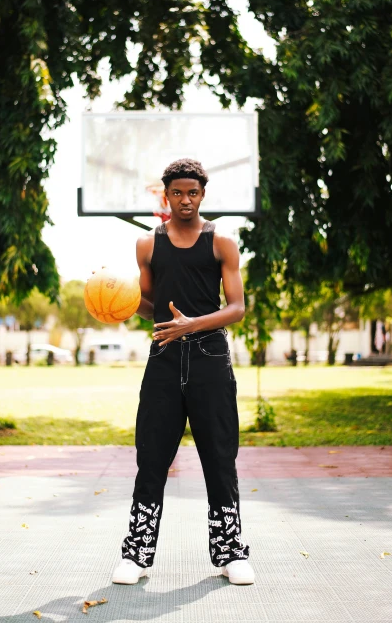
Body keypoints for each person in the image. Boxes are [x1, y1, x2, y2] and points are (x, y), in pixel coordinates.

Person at [112, 158, 254, 586]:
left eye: (193, 192)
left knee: (219, 458)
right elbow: (151, 305)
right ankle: (136, 556)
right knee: (151, 459)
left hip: (210, 358)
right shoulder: (147, 245)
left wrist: (192, 323)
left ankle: (231, 554)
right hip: (165, 358)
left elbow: (237, 309)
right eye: (177, 193)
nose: (185, 200)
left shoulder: (222, 243)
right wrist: (114, 299)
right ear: (165, 195)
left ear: (202, 195)